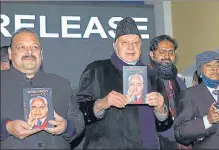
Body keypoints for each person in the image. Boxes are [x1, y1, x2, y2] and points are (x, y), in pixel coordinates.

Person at [76, 17, 172, 149]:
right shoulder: (97, 70)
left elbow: (164, 125)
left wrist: (161, 109)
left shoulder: (152, 75)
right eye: (125, 43)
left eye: (135, 43)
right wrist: (102, 103)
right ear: (115, 46)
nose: (131, 47)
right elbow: (77, 115)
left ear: (141, 46)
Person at [0, 28, 84, 149]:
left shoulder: (61, 83)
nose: (29, 51)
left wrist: (66, 127)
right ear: (10, 53)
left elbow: (78, 120)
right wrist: (6, 128)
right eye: (21, 47)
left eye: (35, 47)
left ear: (41, 52)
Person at [148, 34, 188, 149]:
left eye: (171, 52)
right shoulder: (142, 80)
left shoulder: (180, 81)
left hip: (179, 140)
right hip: (154, 142)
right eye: (162, 51)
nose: (167, 55)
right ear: (152, 54)